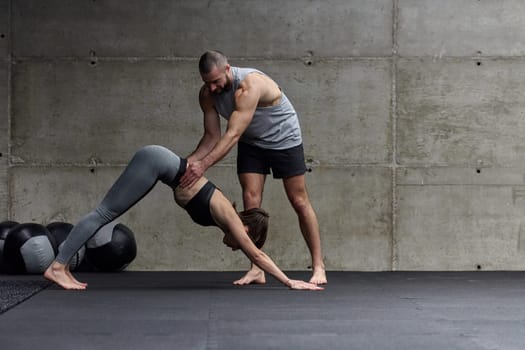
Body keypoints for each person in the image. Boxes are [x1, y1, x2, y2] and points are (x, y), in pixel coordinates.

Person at [44, 145, 323, 291]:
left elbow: (255, 257)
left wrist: (259, 274)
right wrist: (290, 281)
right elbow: (259, 256)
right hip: (155, 162)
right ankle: (57, 267)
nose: (235, 246)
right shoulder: (233, 221)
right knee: (104, 213)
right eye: (241, 244)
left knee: (104, 213)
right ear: (246, 230)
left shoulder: (227, 217)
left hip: (160, 166)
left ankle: (63, 266)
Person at [179, 50, 326, 285]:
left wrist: (204, 166)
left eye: (216, 81)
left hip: (284, 139)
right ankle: (257, 268)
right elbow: (211, 136)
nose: (213, 88)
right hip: (252, 143)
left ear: (228, 69)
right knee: (251, 200)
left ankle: (319, 265)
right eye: (207, 83)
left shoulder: (250, 84)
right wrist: (190, 163)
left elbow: (233, 133)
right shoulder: (207, 93)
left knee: (299, 200)